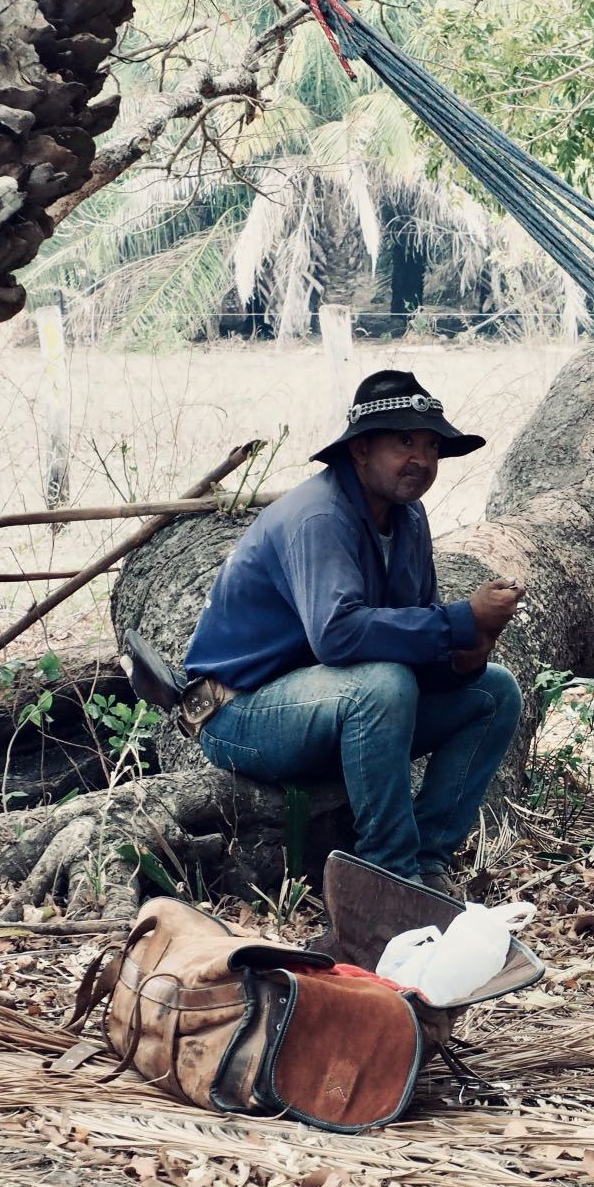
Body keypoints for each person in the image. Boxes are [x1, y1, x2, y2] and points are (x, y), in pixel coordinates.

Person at [183, 369, 523, 892]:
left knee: (494, 691)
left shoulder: (408, 518)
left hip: (330, 705)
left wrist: (468, 651)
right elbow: (337, 636)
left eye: (432, 445)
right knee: (383, 685)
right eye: (404, 441)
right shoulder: (320, 516)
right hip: (242, 713)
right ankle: (391, 877)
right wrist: (458, 619)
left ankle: (429, 864)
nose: (423, 460)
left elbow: (408, 630)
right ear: (360, 450)